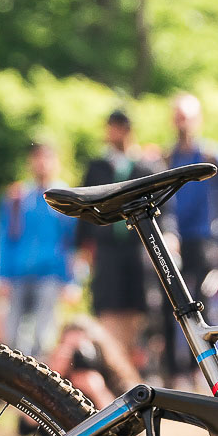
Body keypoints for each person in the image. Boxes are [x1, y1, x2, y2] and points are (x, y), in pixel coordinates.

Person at [163, 94, 218, 382]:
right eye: (178, 117)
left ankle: (203, 370)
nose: (183, 123)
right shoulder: (167, 158)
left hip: (205, 239)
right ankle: (174, 370)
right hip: (174, 240)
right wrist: (167, 232)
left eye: (187, 117)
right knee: (170, 303)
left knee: (203, 303)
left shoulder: (212, 156)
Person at [76, 111, 159, 369]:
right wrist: (82, 249)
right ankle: (114, 366)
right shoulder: (97, 167)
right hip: (107, 250)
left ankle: (131, 366)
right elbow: (84, 211)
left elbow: (162, 208)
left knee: (136, 310)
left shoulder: (146, 167)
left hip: (137, 248)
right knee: (108, 307)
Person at [0, 140, 78, 358]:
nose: (42, 163)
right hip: (17, 274)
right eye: (37, 158)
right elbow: (2, 238)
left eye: (47, 158)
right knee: (11, 337)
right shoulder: (17, 197)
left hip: (50, 275)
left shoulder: (66, 198)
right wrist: (0, 275)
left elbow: (73, 243)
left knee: (43, 337)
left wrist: (73, 280)